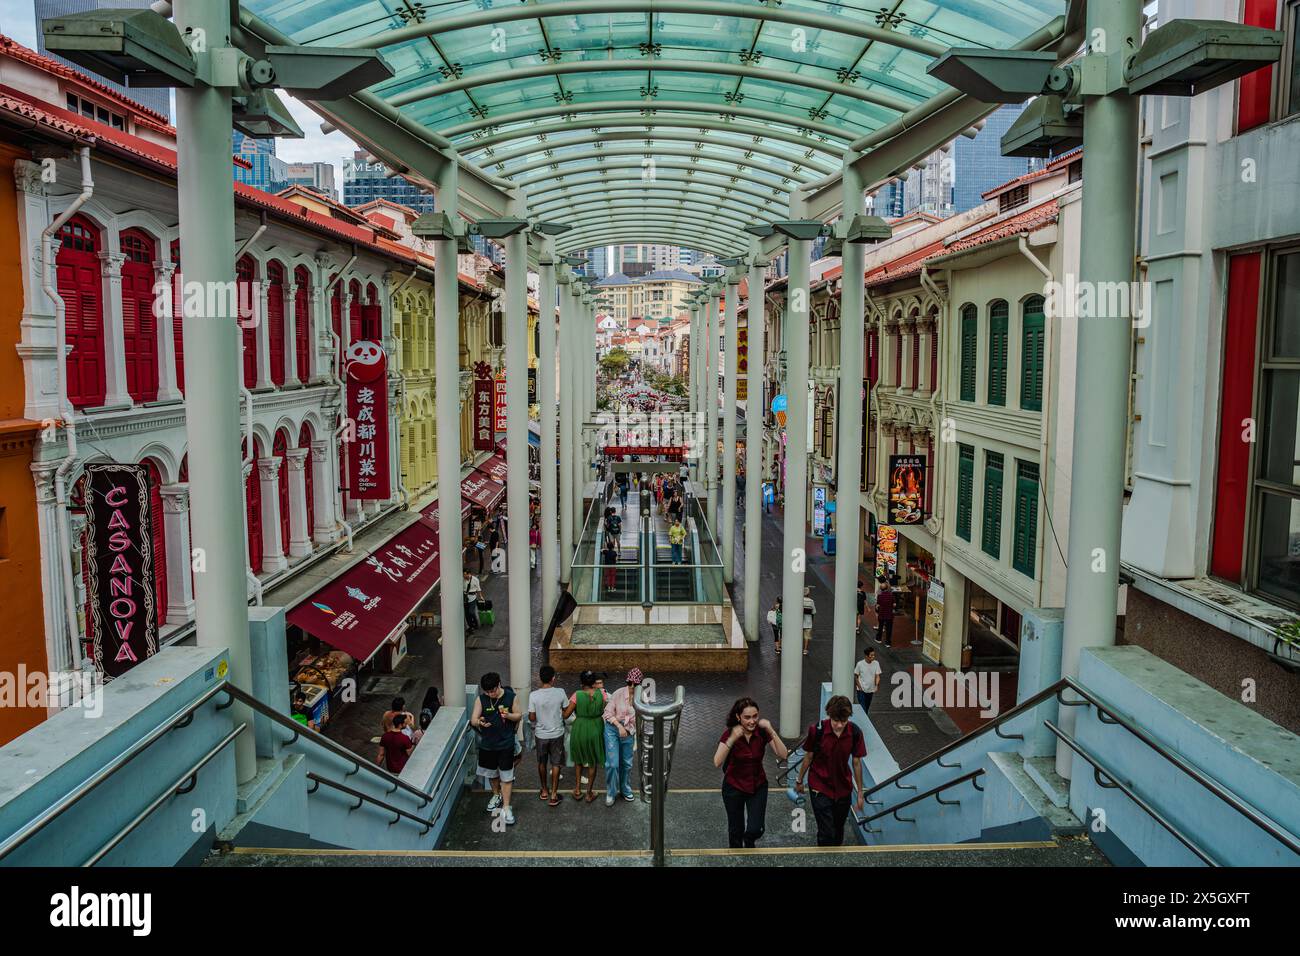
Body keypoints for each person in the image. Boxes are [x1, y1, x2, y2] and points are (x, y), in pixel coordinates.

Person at [714, 697, 788, 848]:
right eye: (747, 717)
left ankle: (749, 841)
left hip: (758, 785)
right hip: (733, 787)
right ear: (738, 717)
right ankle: (737, 857)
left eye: (755, 716)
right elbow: (717, 761)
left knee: (756, 828)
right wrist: (733, 738)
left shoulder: (762, 733)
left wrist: (771, 729)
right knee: (736, 830)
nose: (752, 721)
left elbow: (783, 754)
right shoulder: (729, 734)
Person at [794, 695, 867, 847]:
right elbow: (808, 757)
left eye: (843, 721)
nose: (839, 725)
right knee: (826, 832)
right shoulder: (817, 730)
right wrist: (799, 780)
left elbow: (856, 763)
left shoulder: (855, 732)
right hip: (819, 786)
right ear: (829, 715)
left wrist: (860, 792)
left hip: (843, 787)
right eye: (836, 721)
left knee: (838, 828)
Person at [471, 672, 521, 825]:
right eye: (487, 692)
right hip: (487, 744)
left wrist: (508, 715)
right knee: (491, 773)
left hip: (505, 743)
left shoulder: (511, 696)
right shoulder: (481, 699)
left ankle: (506, 807)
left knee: (506, 776)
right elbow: (473, 719)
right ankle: (496, 794)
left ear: (499, 684)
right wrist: (480, 722)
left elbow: (518, 715)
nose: (490, 694)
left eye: (492, 691)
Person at [602, 668, 646, 805]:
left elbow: (644, 717)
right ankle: (611, 792)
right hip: (613, 729)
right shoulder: (618, 693)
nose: (632, 686)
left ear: (640, 684)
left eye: (635, 684)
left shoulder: (642, 697)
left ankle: (625, 789)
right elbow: (607, 713)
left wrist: (633, 730)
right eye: (630, 683)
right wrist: (619, 726)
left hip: (629, 732)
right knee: (613, 763)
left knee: (626, 764)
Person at [562, 671, 608, 803]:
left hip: (580, 727)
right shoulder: (602, 694)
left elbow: (566, 715)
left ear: (582, 683)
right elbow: (603, 708)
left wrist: (560, 708)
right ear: (594, 682)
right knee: (592, 761)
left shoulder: (577, 695)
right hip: (596, 727)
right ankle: (589, 793)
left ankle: (577, 790)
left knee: (578, 759)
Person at [529, 665, 568, 807]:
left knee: (541, 762)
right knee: (556, 763)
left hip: (541, 735)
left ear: (540, 678)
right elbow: (566, 710)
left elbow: (532, 718)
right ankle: (554, 795)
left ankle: (544, 790)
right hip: (557, 733)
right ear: (553, 678)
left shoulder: (533, 695)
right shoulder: (560, 692)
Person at [854, 647, 882, 716]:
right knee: (863, 709)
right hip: (861, 690)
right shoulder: (860, 664)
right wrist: (859, 687)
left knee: (866, 707)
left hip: (871, 690)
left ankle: (862, 720)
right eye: (871, 655)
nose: (873, 657)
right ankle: (864, 724)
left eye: (874, 655)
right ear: (866, 656)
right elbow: (856, 676)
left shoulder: (876, 663)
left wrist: (877, 685)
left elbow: (877, 675)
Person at [875, 582, 895, 647]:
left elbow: (878, 605)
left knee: (880, 626)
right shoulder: (891, 595)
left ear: (881, 589)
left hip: (882, 614)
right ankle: (888, 643)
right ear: (887, 588)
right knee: (889, 629)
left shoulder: (880, 596)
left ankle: (879, 639)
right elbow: (894, 604)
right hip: (889, 614)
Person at [801, 586, 816, 656]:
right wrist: (812, 620)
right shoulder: (811, 601)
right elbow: (813, 612)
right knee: (806, 636)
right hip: (808, 621)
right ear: (808, 593)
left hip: (800, 622)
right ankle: (805, 649)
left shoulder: (800, 600)